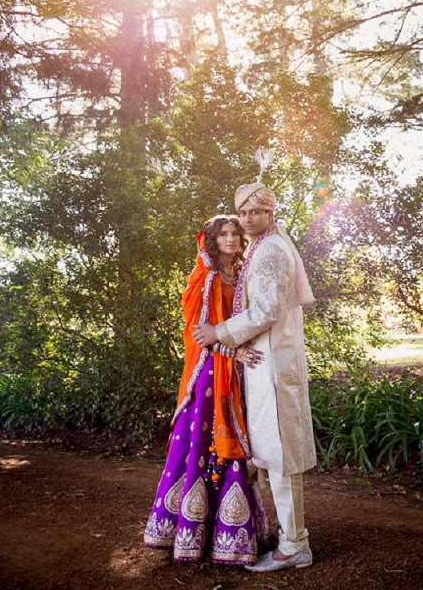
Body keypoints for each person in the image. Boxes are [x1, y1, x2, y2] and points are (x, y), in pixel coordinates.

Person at [193, 182, 316, 572]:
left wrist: (219, 334)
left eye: (255, 212)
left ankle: (294, 546)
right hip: (269, 364)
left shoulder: (270, 251)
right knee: (274, 457)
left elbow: (265, 310)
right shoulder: (266, 246)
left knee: (281, 459)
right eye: (242, 212)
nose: (247, 219)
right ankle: (289, 539)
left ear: (270, 214)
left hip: (274, 369)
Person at [144, 215, 268, 565]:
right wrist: (236, 351)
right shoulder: (209, 279)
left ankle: (230, 534)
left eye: (234, 233)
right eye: (223, 234)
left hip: (233, 375)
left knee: (231, 447)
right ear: (213, 241)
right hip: (211, 377)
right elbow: (200, 335)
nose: (230, 239)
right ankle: (195, 536)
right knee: (204, 446)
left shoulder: (238, 275)